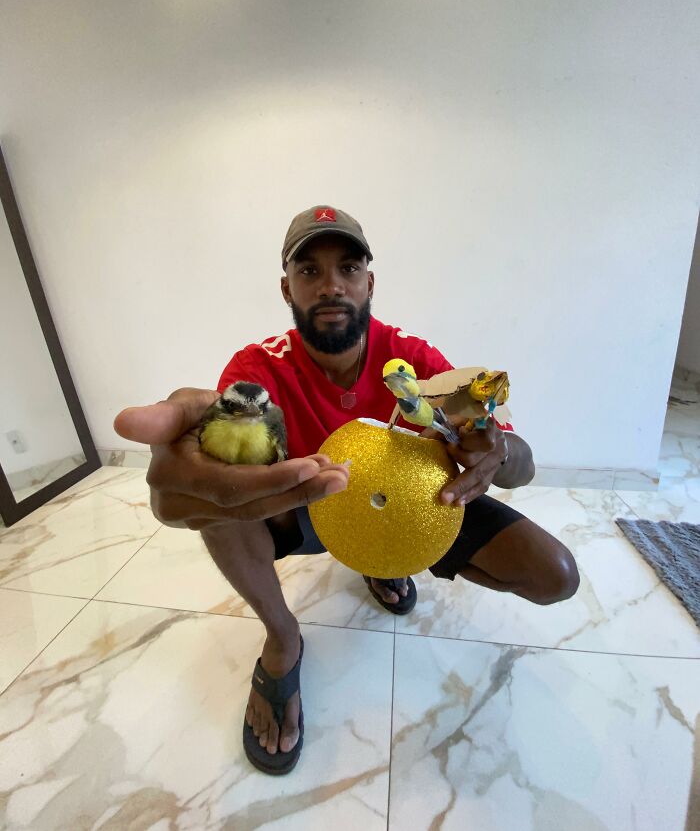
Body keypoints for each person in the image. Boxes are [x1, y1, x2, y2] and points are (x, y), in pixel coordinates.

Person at [114, 206, 580, 775]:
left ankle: (386, 561)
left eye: (349, 268)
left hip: (419, 509)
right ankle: (283, 639)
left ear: (369, 282)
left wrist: (499, 451)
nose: (331, 285)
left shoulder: (417, 360)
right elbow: (224, 458)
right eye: (310, 271)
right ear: (287, 288)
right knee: (222, 500)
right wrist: (207, 473)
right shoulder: (258, 366)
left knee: (556, 575)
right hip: (312, 510)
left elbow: (518, 464)